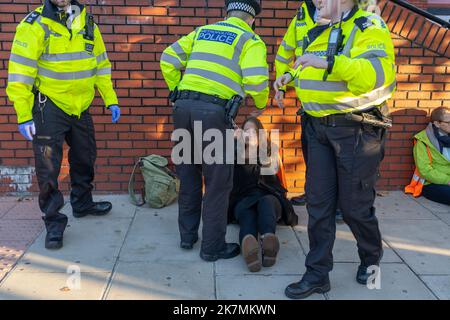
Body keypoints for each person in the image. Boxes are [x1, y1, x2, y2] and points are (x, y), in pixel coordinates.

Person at [274, 0, 396, 299]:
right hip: (317, 128)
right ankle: (317, 274)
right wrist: (288, 80)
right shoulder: (318, 26)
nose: (315, 2)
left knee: (355, 207)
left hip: (355, 131)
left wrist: (330, 63)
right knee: (318, 205)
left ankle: (371, 260)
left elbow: (378, 76)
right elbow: (310, 69)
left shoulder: (367, 25)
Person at [160, 0, 269, 262]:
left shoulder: (202, 31)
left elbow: (168, 58)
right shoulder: (250, 40)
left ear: (227, 12)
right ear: (252, 18)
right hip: (213, 115)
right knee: (218, 184)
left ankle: (187, 237)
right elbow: (256, 81)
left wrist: (176, 92)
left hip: (183, 109)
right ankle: (212, 248)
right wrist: (262, 103)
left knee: (188, 176)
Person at [6, 0, 120, 250]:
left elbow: (101, 64)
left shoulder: (87, 22)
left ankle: (82, 203)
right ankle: (53, 222)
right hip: (50, 106)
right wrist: (23, 114)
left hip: (81, 107)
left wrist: (110, 99)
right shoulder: (34, 25)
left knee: (85, 157)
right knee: (48, 169)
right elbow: (20, 74)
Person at [274, 0, 345, 224]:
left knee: (340, 160)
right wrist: (283, 84)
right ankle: (315, 194)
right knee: (314, 157)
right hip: (310, 104)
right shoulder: (302, 15)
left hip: (339, 106)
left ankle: (341, 205)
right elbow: (286, 53)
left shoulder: (347, 13)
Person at [229, 117, 298, 272]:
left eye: (253, 132)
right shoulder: (234, 152)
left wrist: (254, 148)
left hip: (269, 196)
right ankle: (249, 250)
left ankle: (269, 241)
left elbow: (267, 174)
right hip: (243, 200)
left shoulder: (269, 151)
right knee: (247, 215)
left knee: (266, 203)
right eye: (246, 131)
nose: (249, 135)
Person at [406, 107, 450, 205]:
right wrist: (447, 180)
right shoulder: (423, 141)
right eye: (449, 122)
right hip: (431, 184)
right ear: (437, 123)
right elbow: (424, 170)